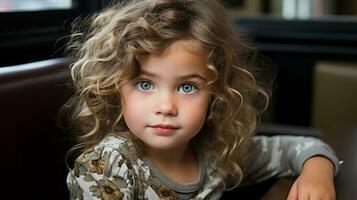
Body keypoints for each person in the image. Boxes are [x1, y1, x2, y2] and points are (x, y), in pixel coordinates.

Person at [64, 0, 341, 199]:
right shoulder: (107, 165)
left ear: (217, 94)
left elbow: (302, 148)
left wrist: (317, 173)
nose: (166, 107)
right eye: (145, 84)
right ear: (116, 88)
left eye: (187, 87)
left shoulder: (217, 154)